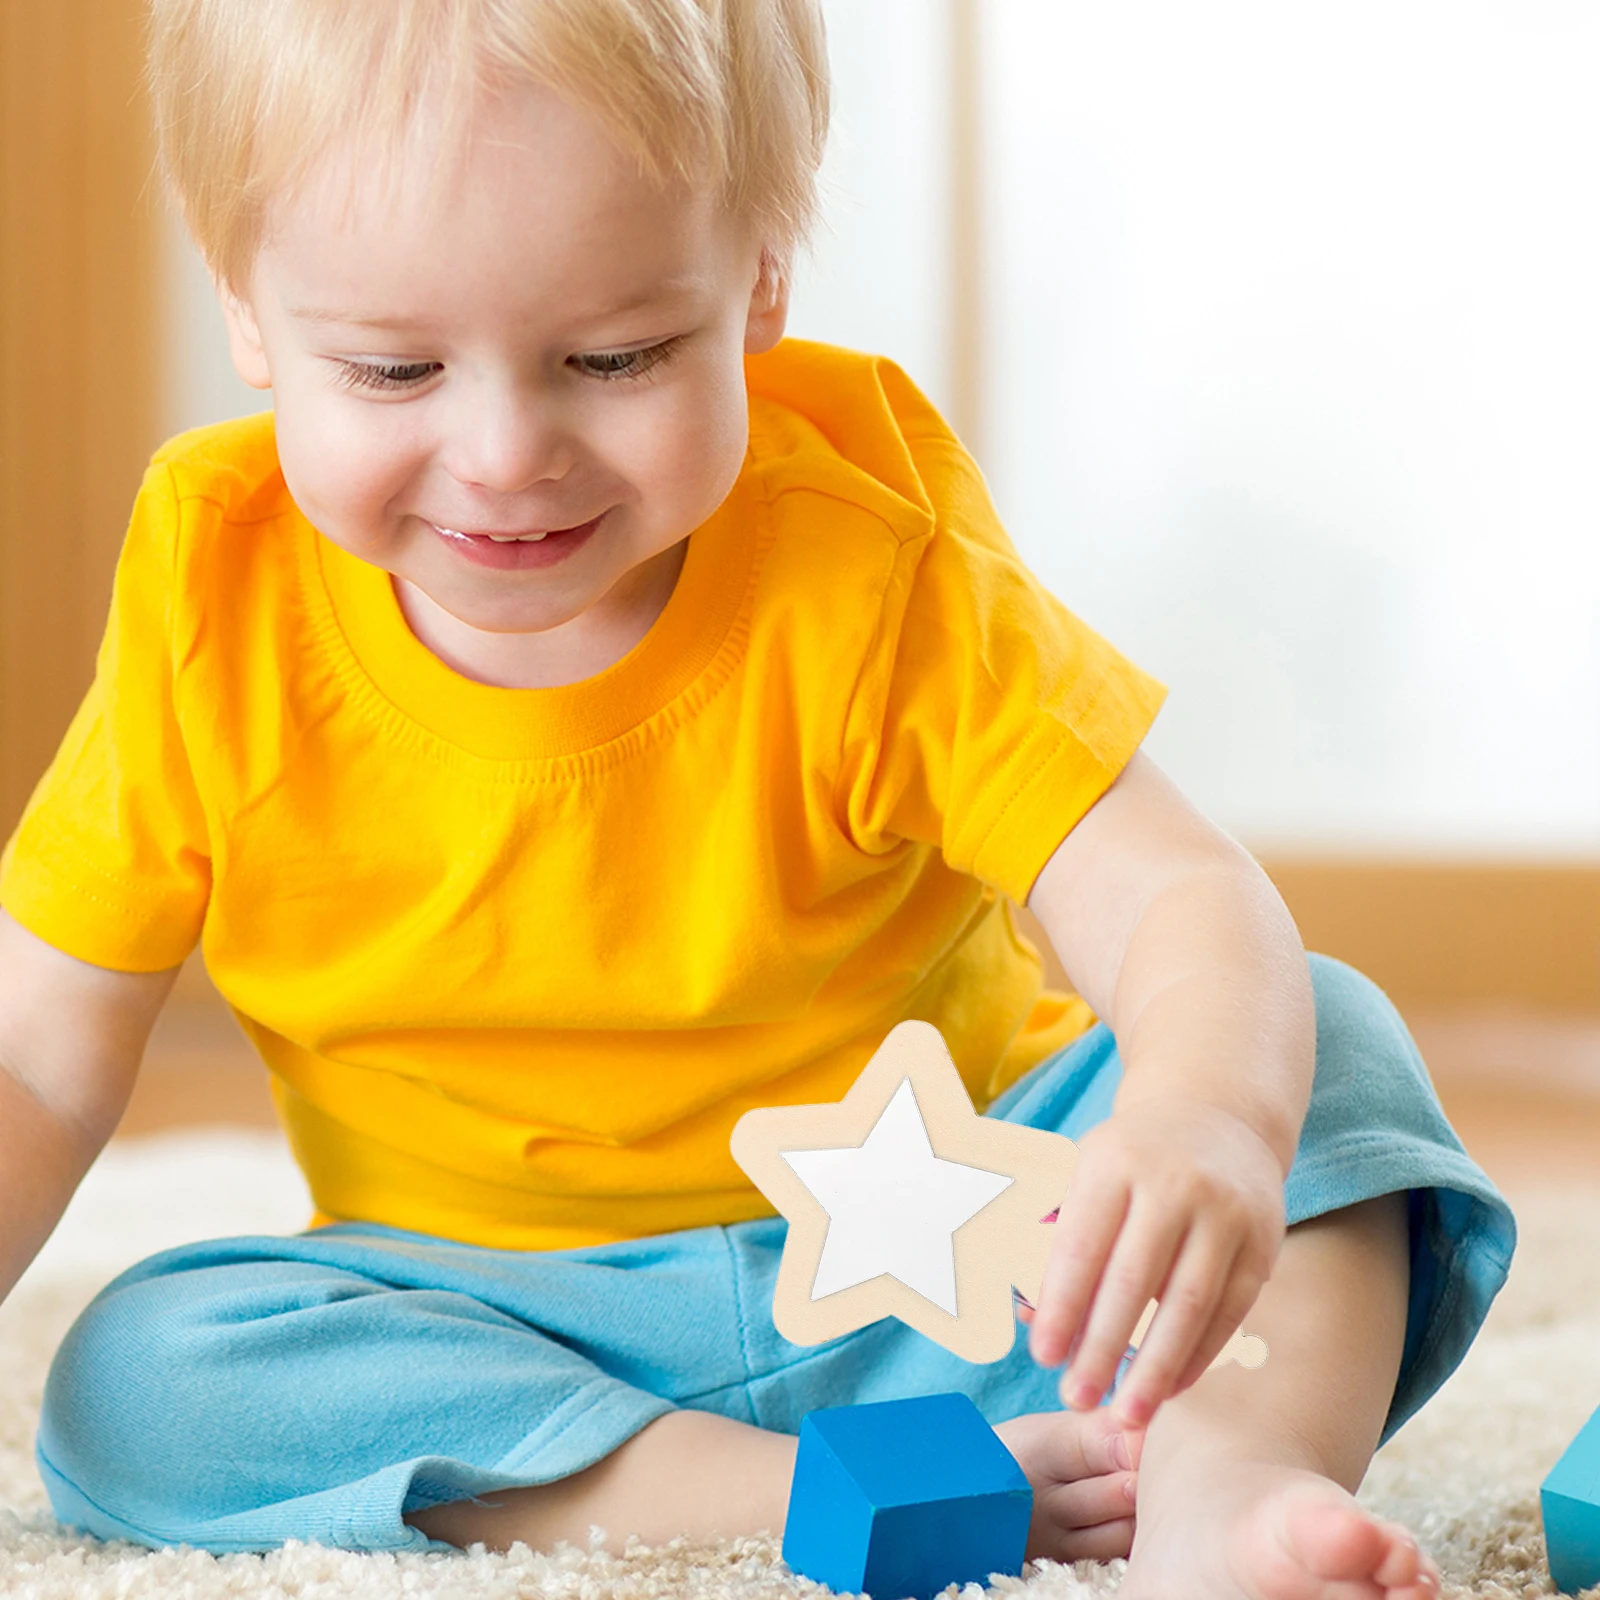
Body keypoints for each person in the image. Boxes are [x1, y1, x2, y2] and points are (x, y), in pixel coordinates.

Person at [0, 3, 1512, 1596]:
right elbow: (36, 1057)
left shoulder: (865, 566)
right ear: (244, 305)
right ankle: (792, 1494)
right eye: (393, 369)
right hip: (509, 1334)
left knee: (1317, 1045)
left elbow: (1173, 891)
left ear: (763, 274)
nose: (505, 452)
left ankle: (1222, 1486)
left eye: (616, 358)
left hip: (971, 1269)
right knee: (141, 1380)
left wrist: (1202, 1118)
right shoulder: (213, 595)